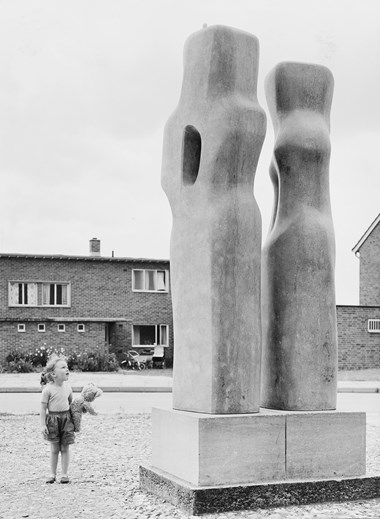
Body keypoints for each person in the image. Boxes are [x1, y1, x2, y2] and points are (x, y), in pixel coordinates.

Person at [40, 354, 75, 484]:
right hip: (53, 420)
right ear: (54, 374)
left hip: (66, 420)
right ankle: (52, 474)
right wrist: (43, 425)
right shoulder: (48, 390)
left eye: (67, 367)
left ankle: (65, 474)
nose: (67, 369)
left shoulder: (68, 388)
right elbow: (43, 409)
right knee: (54, 449)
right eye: (63, 367)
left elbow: (71, 404)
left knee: (65, 448)